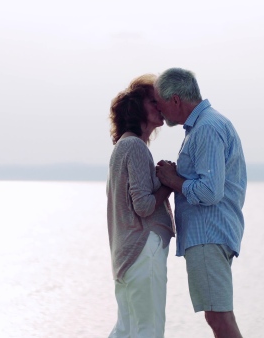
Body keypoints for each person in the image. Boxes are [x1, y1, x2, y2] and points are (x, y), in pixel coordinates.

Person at [154, 68, 247, 338]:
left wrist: (173, 180)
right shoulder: (205, 125)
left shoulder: (206, 128)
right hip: (211, 233)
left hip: (208, 234)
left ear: (175, 100)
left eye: (159, 104)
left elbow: (210, 191)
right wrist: (178, 176)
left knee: (219, 318)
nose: (159, 112)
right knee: (216, 315)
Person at [106, 74, 176, 338]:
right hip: (143, 248)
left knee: (126, 329)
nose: (160, 105)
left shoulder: (123, 146)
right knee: (149, 329)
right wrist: (169, 183)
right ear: (136, 107)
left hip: (126, 253)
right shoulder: (135, 147)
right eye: (153, 101)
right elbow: (144, 206)